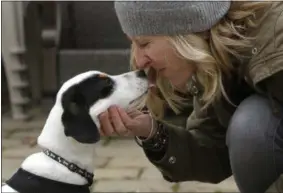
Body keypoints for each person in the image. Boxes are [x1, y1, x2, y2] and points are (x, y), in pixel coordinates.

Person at [98, 1, 283, 193]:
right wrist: (150, 131)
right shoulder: (217, 54)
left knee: (252, 124)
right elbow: (213, 152)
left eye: (144, 43)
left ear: (186, 30)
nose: (139, 60)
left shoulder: (275, 41)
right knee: (251, 126)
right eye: (133, 44)